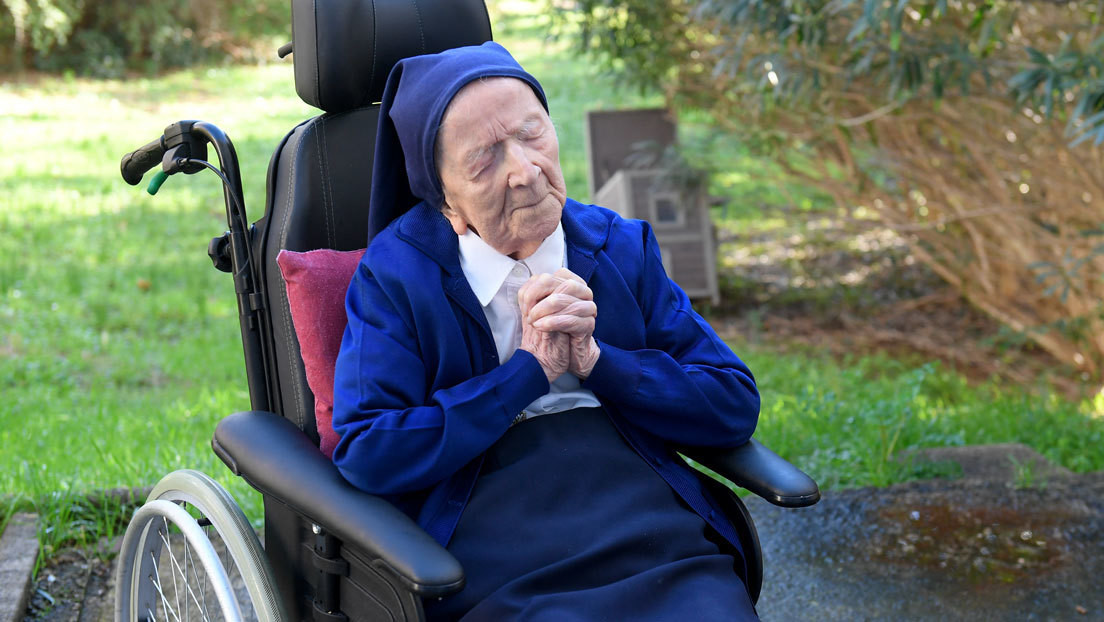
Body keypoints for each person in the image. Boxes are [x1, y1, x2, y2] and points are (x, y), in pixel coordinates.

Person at [332, 41, 760, 620]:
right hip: (491, 534)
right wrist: (524, 375)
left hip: (647, 522)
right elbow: (370, 450)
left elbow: (731, 402)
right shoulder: (397, 276)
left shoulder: (618, 245)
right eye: (484, 159)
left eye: (532, 134)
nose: (526, 171)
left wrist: (599, 361)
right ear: (445, 201)